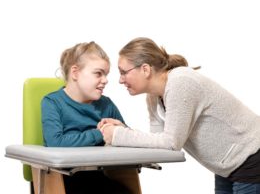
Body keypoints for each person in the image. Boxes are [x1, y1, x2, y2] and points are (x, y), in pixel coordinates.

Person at [98, 37, 260, 194]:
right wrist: (124, 129)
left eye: (123, 72)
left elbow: (171, 143)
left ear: (145, 69)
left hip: (251, 158)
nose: (120, 80)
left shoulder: (180, 82)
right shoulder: (154, 96)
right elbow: (158, 142)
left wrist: (118, 135)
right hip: (229, 166)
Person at [41, 41, 132, 194]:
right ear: (75, 73)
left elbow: (128, 140)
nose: (105, 80)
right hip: (59, 180)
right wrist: (101, 133)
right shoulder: (52, 102)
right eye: (98, 73)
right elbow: (55, 142)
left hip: (97, 178)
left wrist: (122, 129)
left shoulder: (106, 104)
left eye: (106, 74)